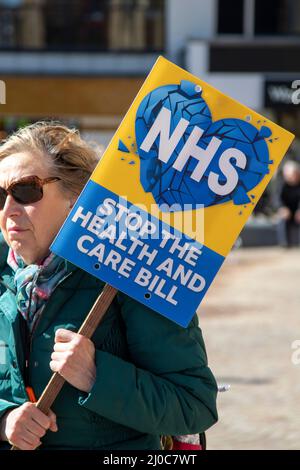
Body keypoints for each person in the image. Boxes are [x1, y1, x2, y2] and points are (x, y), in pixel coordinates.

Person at [0, 122, 218, 450]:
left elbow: (194, 406)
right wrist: (5, 420)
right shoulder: (6, 281)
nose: (8, 210)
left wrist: (96, 376)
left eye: (26, 190)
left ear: (76, 198)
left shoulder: (133, 276)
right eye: (0, 195)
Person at [276, 160, 300, 247]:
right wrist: (282, 208)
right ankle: (284, 244)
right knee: (282, 220)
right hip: (287, 212)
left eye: (293, 175)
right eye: (288, 176)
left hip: (298, 211)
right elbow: (278, 199)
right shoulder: (282, 185)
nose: (291, 178)